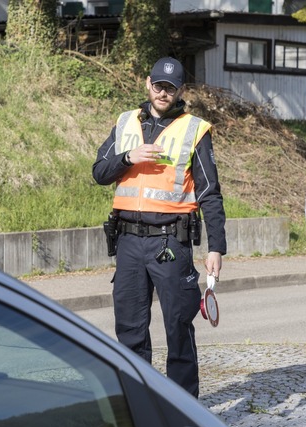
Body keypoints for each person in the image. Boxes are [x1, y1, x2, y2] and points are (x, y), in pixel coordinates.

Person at [93, 57, 226, 397]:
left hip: (171, 244)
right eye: (158, 85)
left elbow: (210, 193)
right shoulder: (126, 124)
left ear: (181, 91)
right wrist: (128, 158)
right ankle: (139, 405)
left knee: (178, 328)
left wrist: (216, 247)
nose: (163, 92)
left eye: (171, 88)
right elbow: (99, 173)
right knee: (130, 330)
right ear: (147, 84)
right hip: (128, 243)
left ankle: (183, 411)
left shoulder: (194, 130)